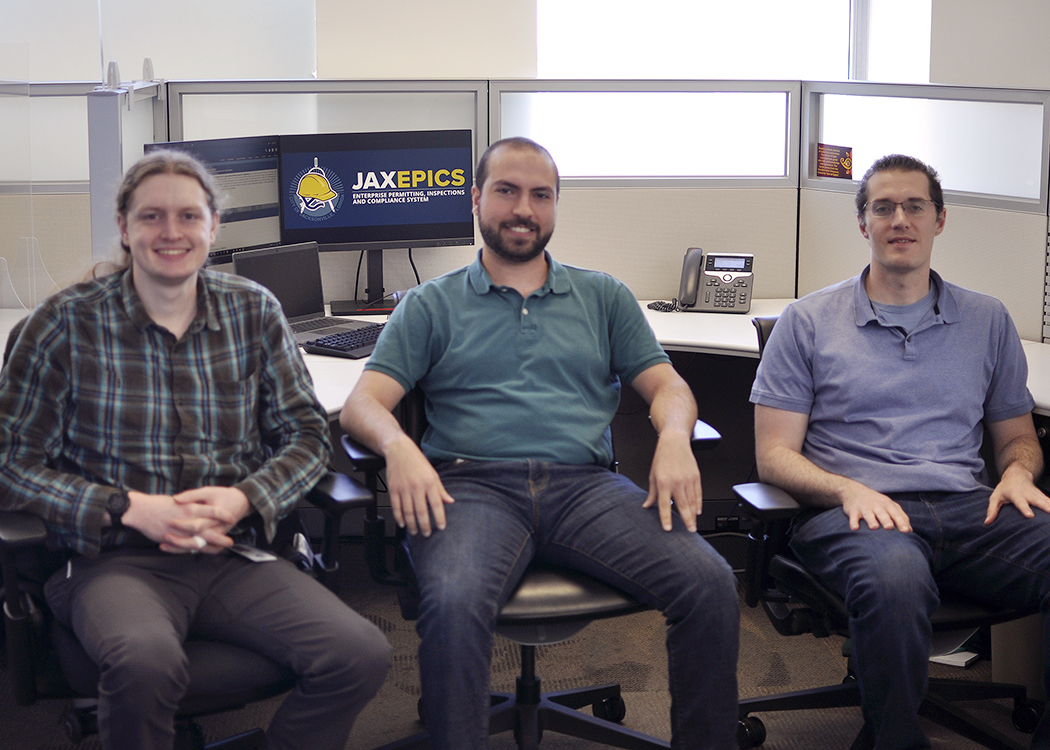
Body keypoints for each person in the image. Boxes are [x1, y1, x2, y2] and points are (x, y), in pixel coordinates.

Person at [339, 136, 739, 750]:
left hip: (587, 489)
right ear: (476, 199)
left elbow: (669, 388)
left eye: (540, 195)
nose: (523, 208)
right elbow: (364, 404)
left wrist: (676, 438)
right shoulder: (430, 304)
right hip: (472, 488)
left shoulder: (602, 295)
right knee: (452, 602)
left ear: (555, 207)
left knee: (710, 584)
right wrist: (399, 449)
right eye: (506, 191)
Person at [0, 150, 392, 750]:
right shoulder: (64, 324)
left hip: (230, 553)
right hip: (113, 560)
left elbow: (308, 438)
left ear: (213, 227)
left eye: (189, 216)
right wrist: (124, 507)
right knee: (145, 664)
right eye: (151, 216)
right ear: (125, 227)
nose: (171, 232)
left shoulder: (253, 313)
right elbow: (11, 463)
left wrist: (243, 499)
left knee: (359, 654)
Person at [750, 153, 1050, 750]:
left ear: (940, 220)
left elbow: (1016, 437)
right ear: (863, 224)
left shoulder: (987, 320)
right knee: (896, 579)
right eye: (882, 207)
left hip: (969, 510)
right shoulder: (808, 321)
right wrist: (846, 488)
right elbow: (773, 457)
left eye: (915, 206)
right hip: (852, 512)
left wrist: (1018, 473)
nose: (899, 220)